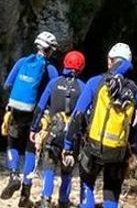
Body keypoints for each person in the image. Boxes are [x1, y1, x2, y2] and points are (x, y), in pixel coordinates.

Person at [62, 43, 137, 208]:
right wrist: (136, 152)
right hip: (118, 151)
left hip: (93, 147)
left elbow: (78, 115)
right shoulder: (135, 90)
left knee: (87, 184)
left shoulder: (95, 82)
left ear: (110, 61)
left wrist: (67, 145)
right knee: (111, 191)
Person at [0, 31, 59, 204]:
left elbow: (7, 84)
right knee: (31, 149)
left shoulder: (22, 62)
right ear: (50, 51)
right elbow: (54, 93)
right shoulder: (50, 69)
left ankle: (13, 175)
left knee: (13, 143)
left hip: (16, 110)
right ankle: (25, 193)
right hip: (36, 114)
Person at [28, 50, 87, 208]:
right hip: (72, 137)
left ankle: (45, 200)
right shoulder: (83, 87)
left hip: (52, 133)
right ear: (81, 67)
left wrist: (34, 129)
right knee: (67, 172)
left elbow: (40, 107)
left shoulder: (53, 83)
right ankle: (63, 201)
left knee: (49, 168)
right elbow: (86, 115)